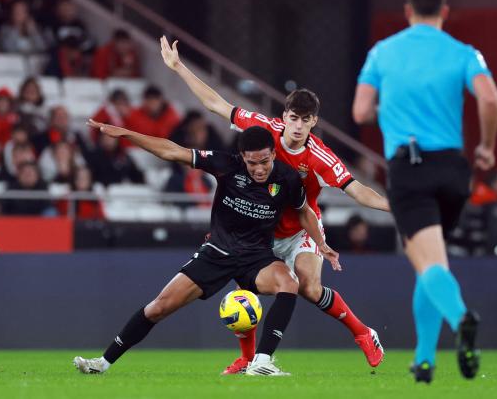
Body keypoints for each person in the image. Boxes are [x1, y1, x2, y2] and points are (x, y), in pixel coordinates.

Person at [160, 36, 389, 373]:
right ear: (285, 115)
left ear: (314, 122)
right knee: (245, 290)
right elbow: (217, 104)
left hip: (300, 227)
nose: (297, 126)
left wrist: (397, 208)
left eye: (305, 120)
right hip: (260, 229)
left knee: (309, 288)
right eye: (293, 117)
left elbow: (358, 191)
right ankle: (249, 358)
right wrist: (179, 67)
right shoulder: (263, 129)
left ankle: (363, 333)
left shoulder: (319, 156)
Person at [74, 122, 339, 376]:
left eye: (265, 161)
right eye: (252, 163)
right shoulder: (226, 165)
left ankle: (262, 361)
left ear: (273, 153)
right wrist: (126, 134)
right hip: (217, 252)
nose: (259, 169)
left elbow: (304, 212)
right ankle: (103, 362)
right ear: (241, 157)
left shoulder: (288, 178)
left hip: (255, 258)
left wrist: (322, 243)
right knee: (158, 307)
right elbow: (172, 151)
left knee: (289, 282)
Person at [352, 0, 497, 383]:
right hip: (453, 170)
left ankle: (461, 318)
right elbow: (489, 98)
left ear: (407, 11)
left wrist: (390, 108)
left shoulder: (383, 52)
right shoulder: (464, 53)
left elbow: (361, 111)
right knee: (431, 263)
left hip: (410, 168)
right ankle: (424, 361)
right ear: (444, 12)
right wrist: (486, 146)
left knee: (426, 261)